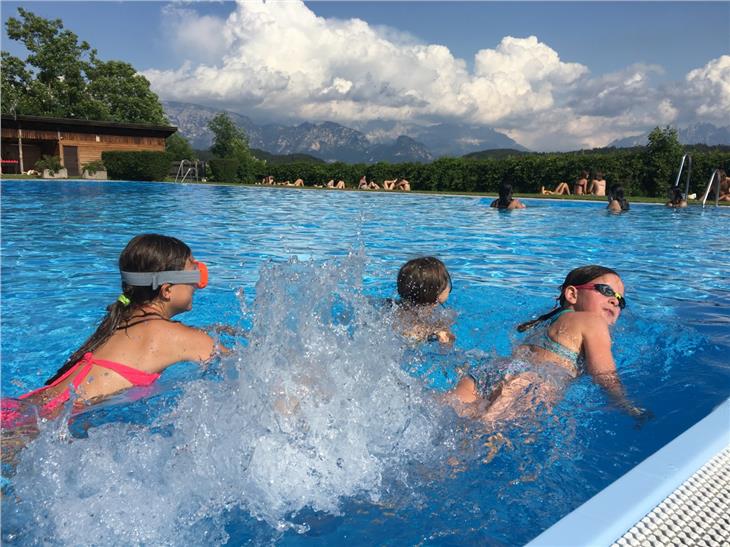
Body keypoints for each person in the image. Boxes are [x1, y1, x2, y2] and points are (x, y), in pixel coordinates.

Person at [1, 234, 220, 429]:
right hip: (43, 425)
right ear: (167, 290)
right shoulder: (180, 337)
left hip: (24, 407)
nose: (197, 285)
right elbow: (244, 369)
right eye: (194, 275)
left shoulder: (119, 322)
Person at [452, 265, 649, 423]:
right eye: (606, 291)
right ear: (572, 294)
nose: (615, 301)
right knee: (479, 436)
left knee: (449, 412)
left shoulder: (547, 323)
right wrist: (626, 404)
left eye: (620, 300)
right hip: (530, 382)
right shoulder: (592, 322)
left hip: (490, 371)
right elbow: (604, 375)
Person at [394, 257, 455, 345]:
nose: (448, 287)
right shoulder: (406, 318)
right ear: (437, 293)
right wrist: (435, 333)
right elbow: (408, 335)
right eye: (446, 283)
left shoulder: (399, 306)